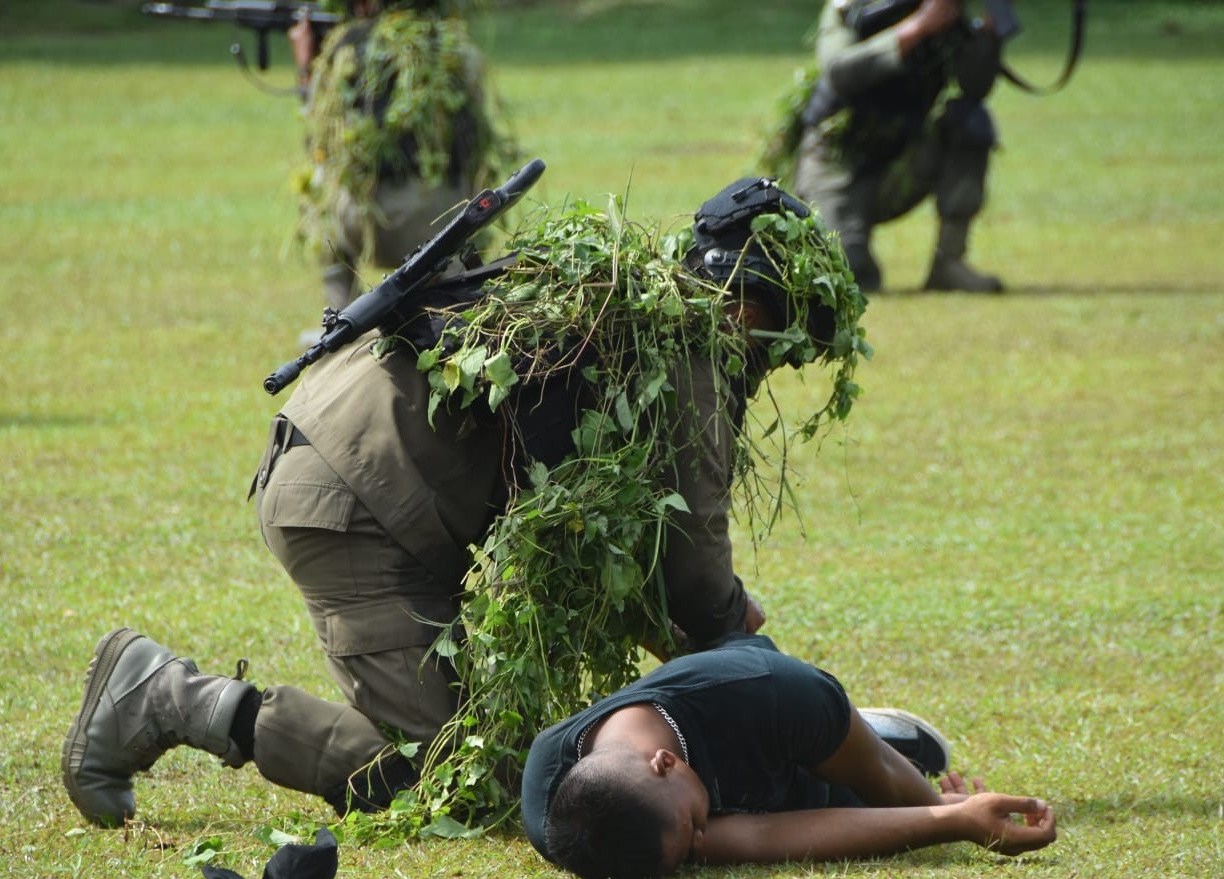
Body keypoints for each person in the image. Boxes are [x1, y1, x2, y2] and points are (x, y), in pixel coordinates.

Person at [60, 176, 856, 828]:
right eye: (779, 341)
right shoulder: (691, 353)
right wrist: (758, 679)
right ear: (749, 309)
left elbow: (620, 547)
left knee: (505, 752)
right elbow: (690, 569)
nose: (770, 362)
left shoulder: (630, 299)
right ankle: (169, 698)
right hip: (357, 504)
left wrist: (712, 645)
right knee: (450, 778)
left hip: (357, 468)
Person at [522, 632, 1056, 879]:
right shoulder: (567, 819)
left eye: (692, 831)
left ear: (665, 762)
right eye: (689, 853)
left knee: (872, 787)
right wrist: (954, 821)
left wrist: (945, 808)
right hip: (766, 747)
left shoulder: (772, 694)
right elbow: (758, 838)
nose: (705, 844)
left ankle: (865, 729)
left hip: (788, 729)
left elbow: (883, 779)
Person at [290, 0, 509, 313]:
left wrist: (305, 68)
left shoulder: (345, 52)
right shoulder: (460, 53)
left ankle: (340, 320)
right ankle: (462, 301)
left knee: (319, 188)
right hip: (446, 232)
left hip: (370, 228)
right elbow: (476, 149)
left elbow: (317, 139)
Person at [790, 0, 1010, 293]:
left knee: (969, 121)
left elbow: (974, 86)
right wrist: (916, 29)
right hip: (836, 167)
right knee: (851, 274)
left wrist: (990, 32)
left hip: (900, 164)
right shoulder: (851, 7)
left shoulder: (944, 11)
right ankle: (850, 243)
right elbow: (840, 71)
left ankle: (949, 264)